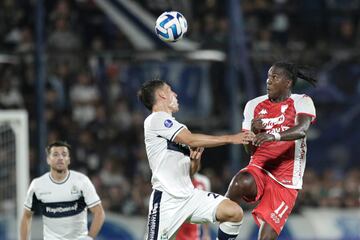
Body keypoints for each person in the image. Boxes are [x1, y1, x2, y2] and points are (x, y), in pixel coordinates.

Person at [138, 79, 255, 240]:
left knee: (233, 212)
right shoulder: (155, 119)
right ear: (161, 95)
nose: (175, 94)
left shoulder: (178, 128)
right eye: (170, 90)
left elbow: (191, 172)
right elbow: (191, 140)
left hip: (189, 195)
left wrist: (195, 161)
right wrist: (231, 138)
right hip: (167, 200)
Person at [226, 61, 317, 240]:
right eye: (268, 76)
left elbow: (301, 130)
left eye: (274, 77)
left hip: (286, 179)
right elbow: (249, 150)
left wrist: (273, 136)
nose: (268, 81)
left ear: (288, 82)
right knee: (239, 183)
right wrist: (253, 131)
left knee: (266, 237)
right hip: (260, 167)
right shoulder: (253, 105)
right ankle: (222, 231)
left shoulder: (302, 101)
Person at [20, 141, 105, 240]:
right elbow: (26, 216)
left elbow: (99, 212)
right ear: (48, 160)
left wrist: (89, 238)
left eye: (64, 155)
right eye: (55, 154)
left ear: (68, 160)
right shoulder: (38, 185)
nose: (60, 158)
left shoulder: (81, 181)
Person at [176, 155, 212, 240]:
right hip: (177, 226)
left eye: (196, 162)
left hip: (194, 228)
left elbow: (206, 207)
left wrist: (206, 233)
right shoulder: (176, 180)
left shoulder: (204, 182)